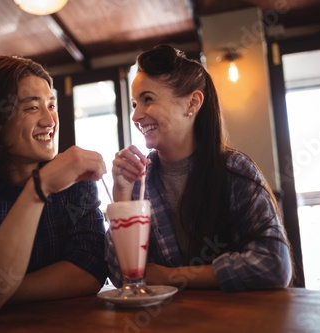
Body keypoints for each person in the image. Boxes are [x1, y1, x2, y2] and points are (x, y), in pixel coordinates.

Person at [0, 55, 108, 316]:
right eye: (32, 108)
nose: (50, 121)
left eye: (51, 105)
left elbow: (89, 271)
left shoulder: (76, 184)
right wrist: (39, 188)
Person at [105, 44, 293, 291]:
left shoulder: (234, 170)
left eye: (147, 99)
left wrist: (170, 276)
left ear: (192, 103)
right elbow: (122, 277)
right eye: (134, 104)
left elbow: (274, 264)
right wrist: (121, 194)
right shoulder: (139, 181)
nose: (136, 115)